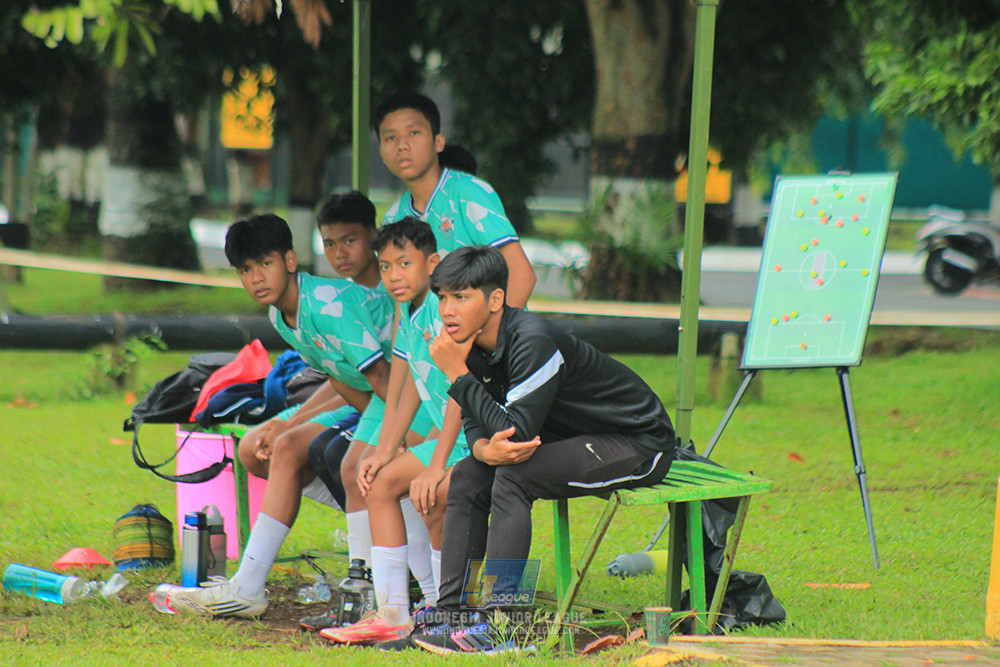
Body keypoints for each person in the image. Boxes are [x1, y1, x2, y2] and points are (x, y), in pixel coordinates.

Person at [412, 245, 677, 651]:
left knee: (515, 476)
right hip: (568, 438)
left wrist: (457, 374)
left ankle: (499, 625)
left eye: (460, 297)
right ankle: (453, 615)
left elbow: (517, 435)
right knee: (466, 474)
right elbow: (477, 419)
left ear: (495, 299)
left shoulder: (532, 340)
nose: (447, 310)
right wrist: (481, 450)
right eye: (442, 298)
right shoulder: (472, 344)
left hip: (637, 442)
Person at [170, 212, 396, 618]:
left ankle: (367, 586)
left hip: (406, 392)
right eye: (245, 270)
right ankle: (248, 587)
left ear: (290, 261)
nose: (257, 277)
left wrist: (388, 440)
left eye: (265, 263)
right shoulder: (282, 315)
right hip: (372, 397)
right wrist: (288, 422)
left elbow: (384, 379)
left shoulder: (328, 307)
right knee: (271, 447)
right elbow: (340, 376)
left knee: (354, 465)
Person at [321, 218, 470, 645]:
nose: (393, 275)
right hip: (450, 436)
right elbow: (407, 392)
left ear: (433, 263)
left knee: (420, 493)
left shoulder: (445, 312)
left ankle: (428, 611)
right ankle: (404, 611)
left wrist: (435, 462)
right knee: (378, 478)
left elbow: (462, 392)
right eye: (385, 266)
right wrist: (385, 449)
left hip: (471, 435)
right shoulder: (409, 311)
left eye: (405, 263)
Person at [373, 92, 537, 308]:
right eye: (390, 137)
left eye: (413, 132)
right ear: (381, 153)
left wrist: (492, 330)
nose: (402, 145)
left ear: (438, 142)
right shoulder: (394, 216)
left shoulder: (468, 194)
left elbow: (521, 276)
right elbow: (401, 308)